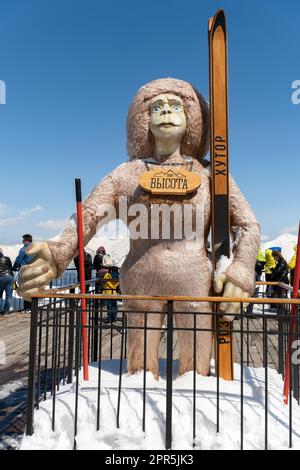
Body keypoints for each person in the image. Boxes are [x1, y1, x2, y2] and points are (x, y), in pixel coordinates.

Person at [13, 234, 34, 311]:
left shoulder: (24, 249)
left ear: (26, 240)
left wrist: (14, 268)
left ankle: (27, 308)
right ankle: (33, 307)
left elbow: (19, 260)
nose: (22, 242)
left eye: (23, 240)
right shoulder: (35, 248)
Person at [0, 248, 14, 316]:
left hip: (1, 278)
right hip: (10, 277)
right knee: (9, 296)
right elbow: (10, 267)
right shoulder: (7, 258)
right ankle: (5, 311)